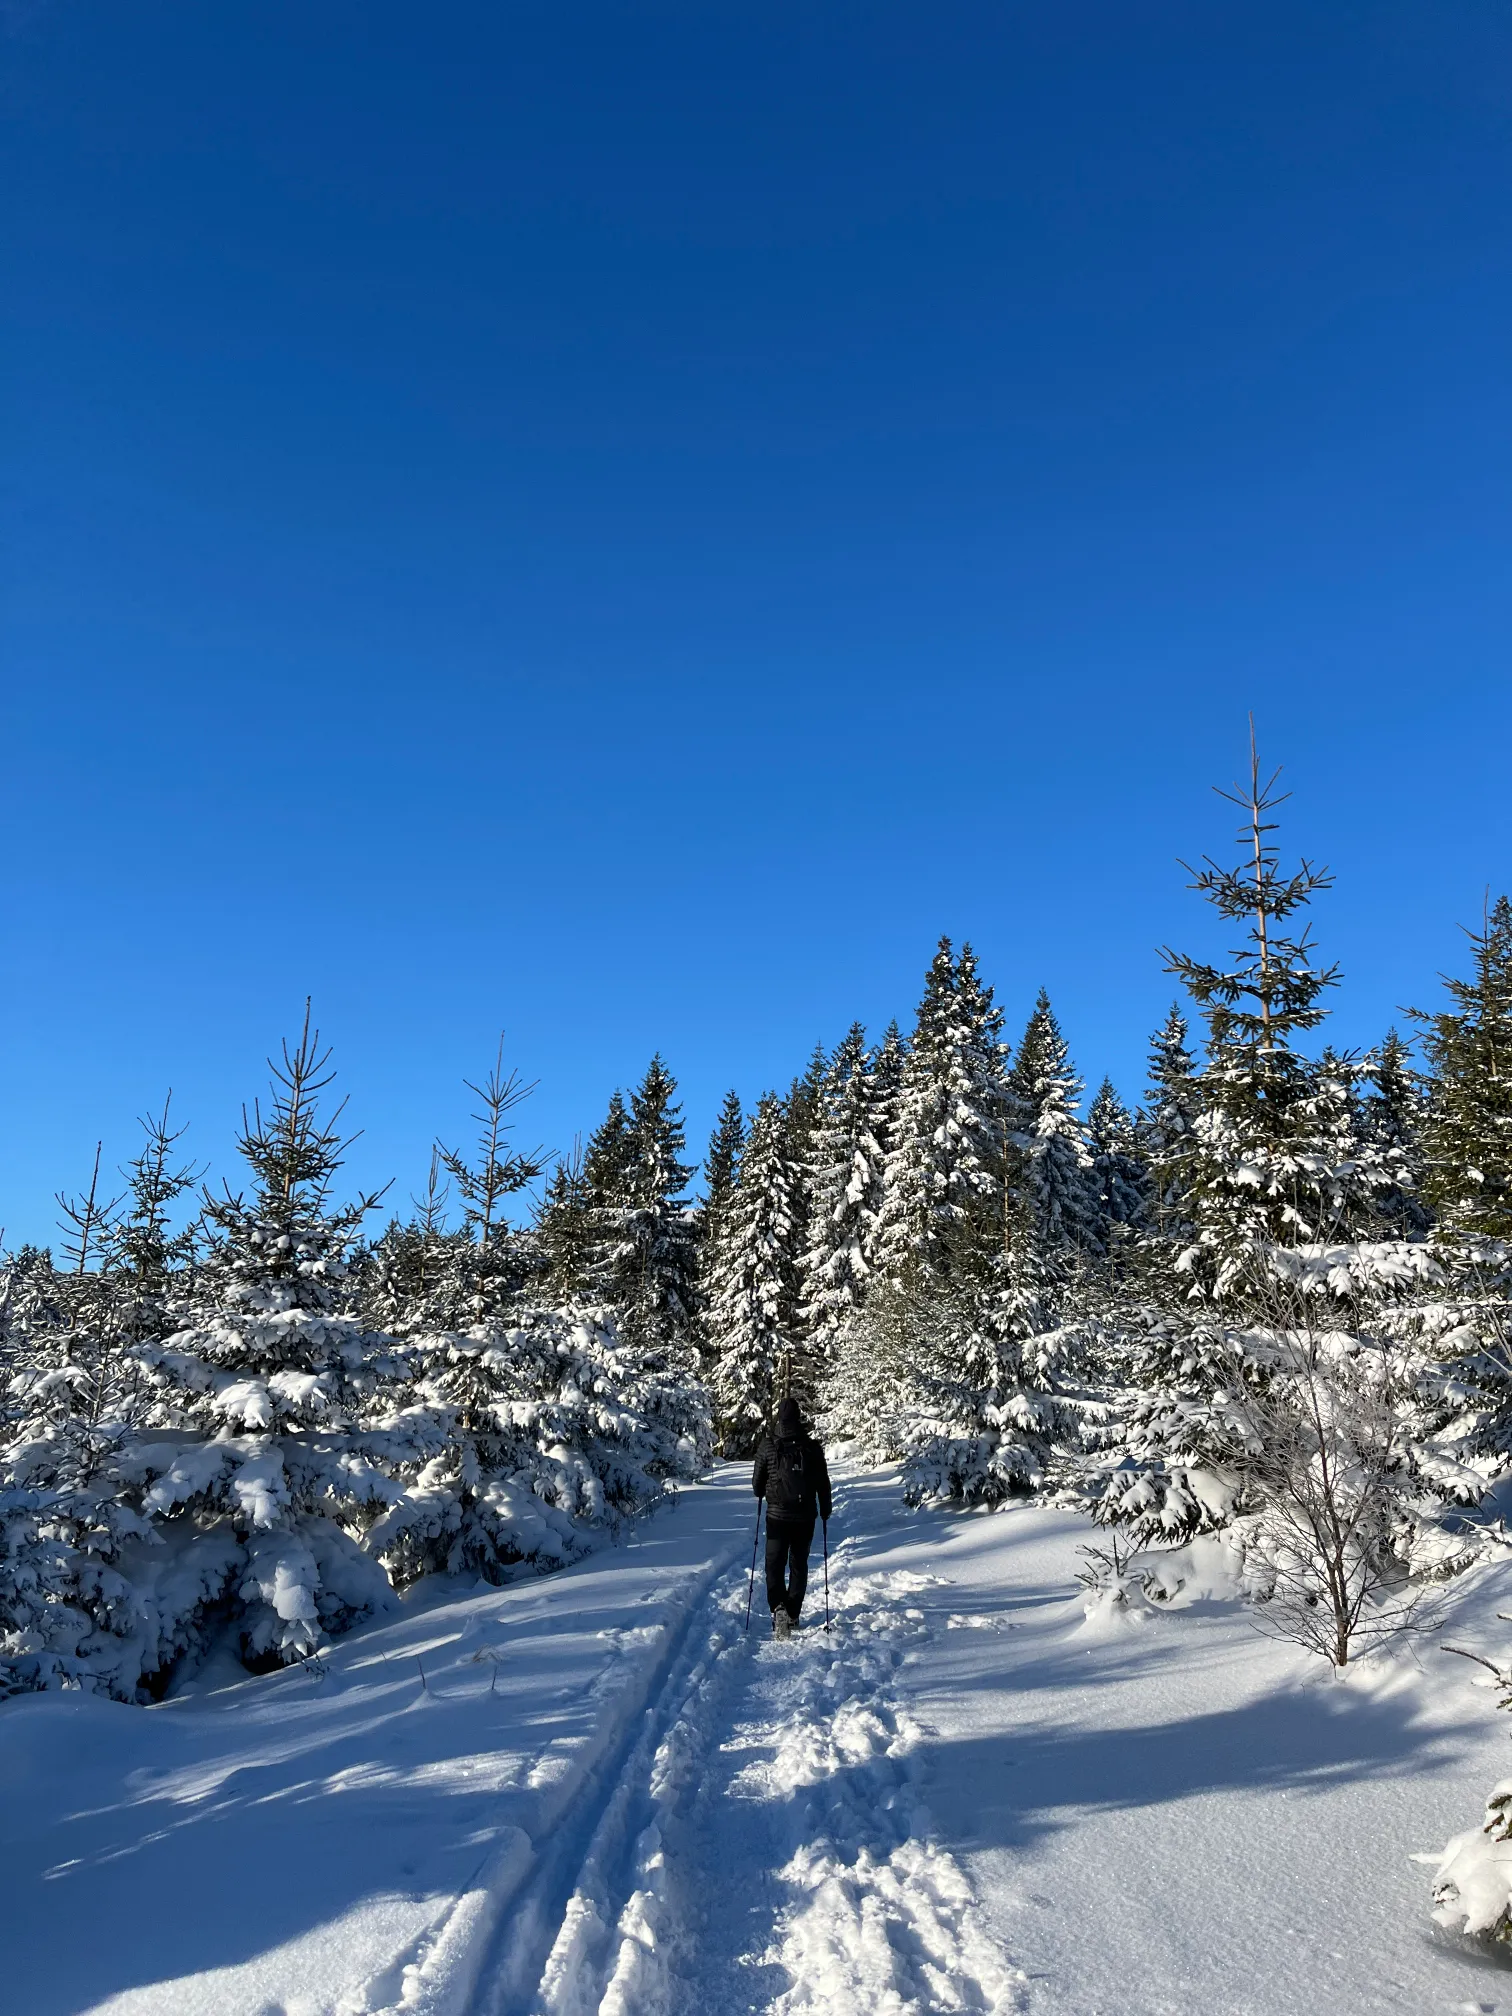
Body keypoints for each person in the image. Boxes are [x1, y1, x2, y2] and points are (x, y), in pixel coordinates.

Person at [752, 1395, 832, 1638]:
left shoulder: (767, 1445)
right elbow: (823, 1484)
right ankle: (793, 1613)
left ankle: (778, 1608)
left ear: (779, 1418)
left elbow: (756, 1486)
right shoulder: (812, 1447)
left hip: (776, 1517)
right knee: (799, 1564)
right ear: (799, 1418)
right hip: (805, 1516)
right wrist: (825, 1510)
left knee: (774, 1565)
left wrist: (766, 1490)